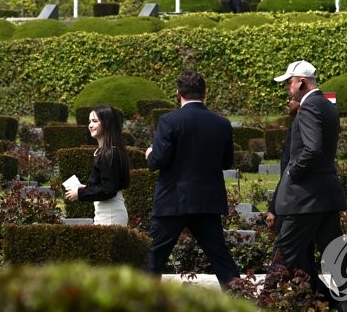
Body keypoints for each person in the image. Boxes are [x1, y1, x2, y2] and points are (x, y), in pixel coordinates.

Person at [268, 60, 347, 312]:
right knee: (338, 261)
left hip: (305, 199)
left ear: (301, 82)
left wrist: (293, 172)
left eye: (289, 83)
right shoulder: (325, 105)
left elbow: (312, 150)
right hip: (324, 196)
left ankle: (259, 311)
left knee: (282, 255)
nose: (287, 89)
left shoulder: (308, 108)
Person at [145, 70, 240, 288]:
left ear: (178, 94)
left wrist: (150, 154)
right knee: (220, 258)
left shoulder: (168, 121)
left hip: (173, 199)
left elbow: (157, 162)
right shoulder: (222, 123)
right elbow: (226, 163)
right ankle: (240, 298)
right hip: (207, 201)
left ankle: (143, 303)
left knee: (154, 257)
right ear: (204, 93)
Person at [63, 105, 130, 226]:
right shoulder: (103, 152)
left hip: (111, 215)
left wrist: (80, 194)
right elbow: (105, 184)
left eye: (95, 121)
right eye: (89, 121)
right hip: (104, 213)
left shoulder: (110, 153)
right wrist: (84, 188)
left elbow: (108, 190)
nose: (90, 125)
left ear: (107, 123)